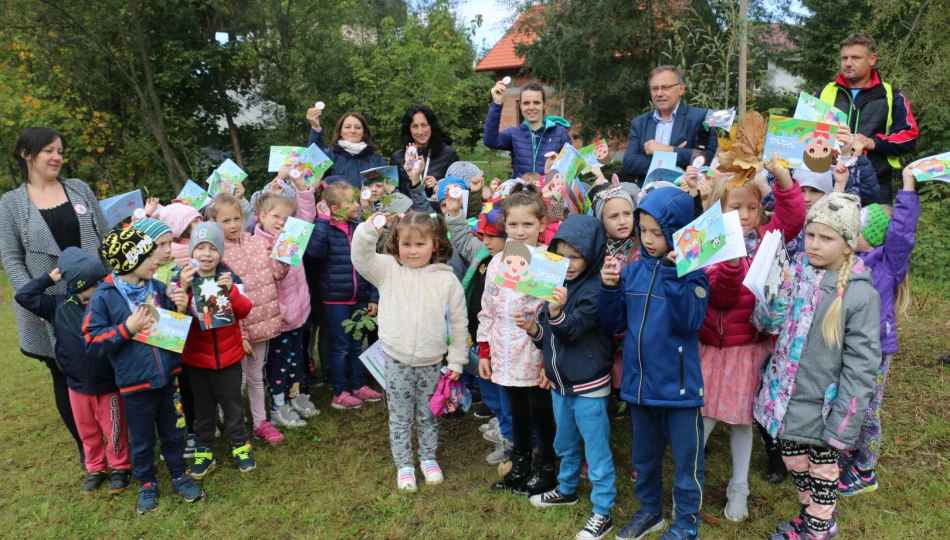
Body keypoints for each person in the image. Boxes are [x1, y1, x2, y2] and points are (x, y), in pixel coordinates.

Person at [753, 193, 881, 540]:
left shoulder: (859, 296)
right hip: (788, 397)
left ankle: (818, 529)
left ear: (847, 243)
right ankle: (813, 516)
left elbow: (862, 365)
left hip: (825, 405)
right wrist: (774, 295)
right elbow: (767, 325)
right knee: (794, 459)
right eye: (811, 235)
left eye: (827, 238)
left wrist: (845, 420)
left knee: (823, 470)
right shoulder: (795, 273)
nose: (815, 244)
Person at [698, 149, 805, 521]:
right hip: (714, 348)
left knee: (742, 419)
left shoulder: (765, 240)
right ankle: (689, 478)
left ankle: (739, 486)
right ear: (717, 209)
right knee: (704, 418)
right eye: (735, 208)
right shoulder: (710, 243)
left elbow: (793, 218)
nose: (744, 216)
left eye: (752, 207)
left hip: (749, 348)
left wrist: (784, 179)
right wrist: (729, 267)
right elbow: (722, 297)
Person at [600, 186, 709, 540]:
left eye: (657, 233)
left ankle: (686, 522)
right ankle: (650, 511)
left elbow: (689, 322)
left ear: (678, 232)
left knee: (686, 464)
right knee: (644, 459)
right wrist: (611, 289)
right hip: (639, 388)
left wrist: (676, 275)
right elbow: (615, 325)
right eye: (642, 230)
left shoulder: (694, 274)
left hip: (679, 391)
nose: (647, 239)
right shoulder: (632, 271)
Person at [0, 127, 110, 471]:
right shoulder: (11, 203)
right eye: (48, 150)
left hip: (98, 297)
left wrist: (113, 286)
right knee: (65, 373)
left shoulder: (80, 189)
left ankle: (119, 438)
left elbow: (105, 241)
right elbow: (12, 259)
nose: (56, 157)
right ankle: (88, 448)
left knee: (107, 365)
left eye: (59, 150)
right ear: (25, 154)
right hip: (51, 306)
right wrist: (34, 300)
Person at [82, 228, 204, 514]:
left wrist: (182, 309)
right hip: (135, 384)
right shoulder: (104, 297)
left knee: (175, 431)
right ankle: (147, 482)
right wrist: (127, 329)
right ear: (128, 260)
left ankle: (179, 473)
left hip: (168, 378)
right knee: (142, 438)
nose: (157, 260)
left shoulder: (158, 289)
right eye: (149, 255)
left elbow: (172, 331)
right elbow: (90, 340)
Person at [351, 211, 468, 491]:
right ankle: (404, 464)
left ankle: (428, 458)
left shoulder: (447, 280)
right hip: (396, 360)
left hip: (432, 362)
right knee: (401, 416)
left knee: (429, 414)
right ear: (395, 243)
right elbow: (361, 257)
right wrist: (371, 228)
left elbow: (459, 323)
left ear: (435, 244)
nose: (413, 251)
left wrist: (457, 360)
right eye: (406, 244)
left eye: (420, 244)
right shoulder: (388, 269)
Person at [518, 215, 617, 540]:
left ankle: (603, 512)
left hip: (589, 386)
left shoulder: (596, 290)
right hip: (561, 384)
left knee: (597, 450)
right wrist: (535, 328)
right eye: (563, 255)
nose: (570, 263)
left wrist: (556, 313)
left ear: (592, 254)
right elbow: (550, 337)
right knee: (565, 443)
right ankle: (567, 488)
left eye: (577, 255)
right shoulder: (555, 284)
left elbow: (572, 331)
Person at [14, 248, 131, 496]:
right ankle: (95, 469)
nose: (101, 285)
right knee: (87, 430)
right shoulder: (57, 306)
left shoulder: (109, 302)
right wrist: (49, 278)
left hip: (108, 382)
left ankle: (120, 468)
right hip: (76, 384)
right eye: (94, 283)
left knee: (114, 428)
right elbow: (23, 296)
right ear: (79, 284)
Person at [838, 167, 919, 496]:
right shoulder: (847, 258)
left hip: (875, 347)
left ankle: (865, 468)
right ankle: (847, 454)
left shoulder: (887, 261)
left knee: (868, 408)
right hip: (847, 344)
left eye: (856, 228)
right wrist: (840, 185)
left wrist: (908, 187)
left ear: (871, 234)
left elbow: (902, 231)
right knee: (848, 401)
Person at [478, 186, 557, 496]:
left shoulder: (547, 263)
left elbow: (551, 316)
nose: (520, 231)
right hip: (504, 353)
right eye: (513, 225)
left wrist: (548, 359)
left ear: (541, 225)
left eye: (528, 225)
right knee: (516, 413)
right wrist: (485, 350)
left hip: (533, 355)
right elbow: (489, 308)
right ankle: (520, 465)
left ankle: (545, 468)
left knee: (540, 414)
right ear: (505, 226)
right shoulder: (498, 263)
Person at [208, 193, 288, 444]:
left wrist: (283, 247)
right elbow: (223, 298)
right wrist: (239, 332)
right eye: (225, 220)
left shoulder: (256, 242)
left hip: (263, 324)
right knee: (237, 380)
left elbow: (278, 273)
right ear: (214, 222)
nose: (232, 225)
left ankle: (260, 421)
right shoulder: (216, 253)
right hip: (236, 330)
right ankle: (233, 422)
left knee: (256, 377)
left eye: (236, 219)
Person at [178, 222, 256, 480]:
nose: (206, 253)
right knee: (203, 410)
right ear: (192, 251)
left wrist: (231, 291)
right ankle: (204, 452)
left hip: (229, 358)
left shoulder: (229, 278)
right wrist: (183, 291)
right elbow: (175, 318)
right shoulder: (184, 279)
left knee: (233, 407)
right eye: (200, 247)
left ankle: (240, 447)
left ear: (220, 253)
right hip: (197, 361)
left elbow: (244, 310)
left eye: (212, 248)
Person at [305, 180, 382, 409]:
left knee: (356, 343)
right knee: (340, 346)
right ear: (335, 209)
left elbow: (370, 262)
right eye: (350, 201)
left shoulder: (358, 228)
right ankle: (339, 392)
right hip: (335, 300)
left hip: (359, 298)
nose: (357, 204)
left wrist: (372, 296)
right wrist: (321, 219)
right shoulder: (325, 229)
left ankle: (358, 385)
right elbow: (315, 252)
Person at [816, 34, 917, 203]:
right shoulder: (823, 93)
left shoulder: (892, 96)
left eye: (856, 57)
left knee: (872, 231)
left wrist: (872, 143)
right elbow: (802, 135)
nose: (848, 63)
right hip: (827, 182)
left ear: (872, 59)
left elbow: (909, 137)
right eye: (844, 58)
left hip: (876, 185)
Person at [254, 187, 322, 424]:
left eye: (287, 218)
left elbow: (307, 213)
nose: (281, 222)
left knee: (297, 360)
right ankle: (278, 406)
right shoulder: (257, 245)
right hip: (279, 321)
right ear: (261, 216)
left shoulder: (293, 237)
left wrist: (303, 188)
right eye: (275, 216)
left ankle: (295, 397)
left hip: (299, 315)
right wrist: (280, 313)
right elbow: (266, 283)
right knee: (278, 365)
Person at [622, 66, 718, 185]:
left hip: (687, 194)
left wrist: (665, 149)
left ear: (681, 89)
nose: (659, 93)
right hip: (648, 197)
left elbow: (707, 159)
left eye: (665, 87)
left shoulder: (701, 118)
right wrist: (675, 154)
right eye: (654, 88)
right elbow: (629, 164)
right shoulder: (639, 123)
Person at [482, 81, 573, 178]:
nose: (531, 107)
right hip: (522, 192)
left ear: (544, 105)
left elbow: (571, 167)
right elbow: (490, 140)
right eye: (526, 103)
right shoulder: (514, 134)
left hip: (549, 191)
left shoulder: (560, 133)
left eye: (536, 102)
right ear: (520, 105)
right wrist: (496, 103)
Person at [304, 107, 387, 188]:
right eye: (347, 127)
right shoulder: (329, 155)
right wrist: (315, 127)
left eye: (357, 128)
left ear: (364, 132)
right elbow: (311, 161)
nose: (352, 131)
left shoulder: (378, 160)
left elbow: (390, 189)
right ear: (340, 131)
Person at [390, 104, 461, 197]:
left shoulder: (448, 154)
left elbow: (458, 187)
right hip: (408, 211)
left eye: (424, 125)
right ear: (409, 129)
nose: (420, 132)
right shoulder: (398, 158)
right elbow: (392, 193)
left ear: (431, 126)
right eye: (415, 126)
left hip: (438, 210)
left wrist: (438, 185)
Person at [155, 202, 203, 268]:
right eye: (196, 221)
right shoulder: (172, 251)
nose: (202, 223)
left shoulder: (204, 241)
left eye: (200, 219)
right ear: (183, 227)